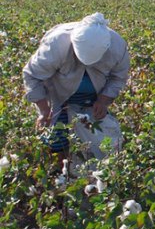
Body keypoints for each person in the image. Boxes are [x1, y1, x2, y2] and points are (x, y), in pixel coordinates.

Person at [23, 13, 129, 160]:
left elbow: (118, 77)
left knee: (101, 139)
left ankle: (90, 171)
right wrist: (44, 110)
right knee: (56, 137)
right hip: (59, 96)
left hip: (93, 100)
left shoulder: (117, 47)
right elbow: (32, 75)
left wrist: (103, 100)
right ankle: (61, 170)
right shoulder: (56, 44)